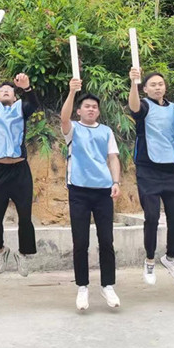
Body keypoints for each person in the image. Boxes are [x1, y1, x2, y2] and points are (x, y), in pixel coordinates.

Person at [0, 32, 39, 276]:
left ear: (15, 96)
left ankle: (23, 255)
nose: (5, 91)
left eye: (9, 90)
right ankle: (1, 250)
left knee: (25, 217)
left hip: (20, 171)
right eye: (2, 89)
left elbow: (34, 103)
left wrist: (28, 88)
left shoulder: (21, 109)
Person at [60, 78, 121, 311]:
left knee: (106, 240)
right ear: (79, 110)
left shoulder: (106, 131)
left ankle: (108, 285)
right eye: (87, 106)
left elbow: (113, 158)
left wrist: (116, 182)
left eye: (94, 107)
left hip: (103, 191)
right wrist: (72, 92)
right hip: (79, 190)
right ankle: (82, 287)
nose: (91, 109)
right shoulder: (73, 130)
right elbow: (63, 118)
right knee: (80, 242)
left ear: (98, 111)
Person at [128, 68, 174, 285]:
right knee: (152, 217)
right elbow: (134, 107)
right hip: (147, 170)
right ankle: (149, 260)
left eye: (160, 84)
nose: (157, 88)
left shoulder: (173, 109)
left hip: (170, 169)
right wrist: (133, 83)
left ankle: (171, 258)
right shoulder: (144, 106)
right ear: (145, 89)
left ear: (165, 87)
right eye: (152, 85)